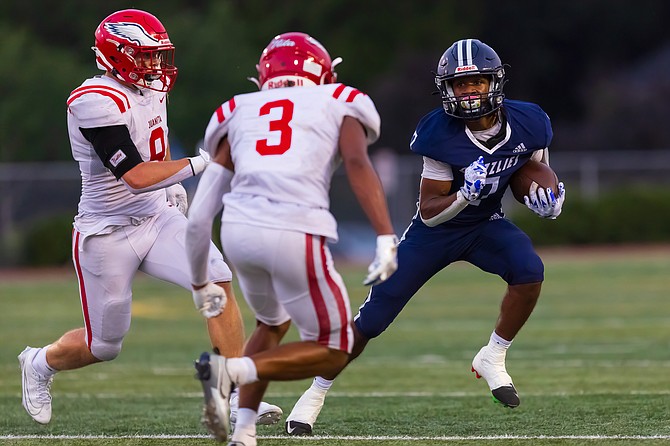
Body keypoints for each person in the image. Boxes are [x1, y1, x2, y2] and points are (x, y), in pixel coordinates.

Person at [285, 38, 567, 435]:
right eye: (460, 84)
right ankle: (315, 392)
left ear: (495, 82)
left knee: (529, 270)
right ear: (446, 89)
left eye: (477, 82)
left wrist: (548, 201)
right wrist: (463, 195)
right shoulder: (439, 133)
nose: (469, 92)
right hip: (435, 232)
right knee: (374, 318)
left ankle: (494, 355)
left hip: (485, 225)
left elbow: (534, 171)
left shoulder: (530, 122)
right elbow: (431, 212)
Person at [17, 9, 280, 427]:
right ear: (116, 55)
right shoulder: (94, 101)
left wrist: (172, 185)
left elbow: (151, 152)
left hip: (157, 218)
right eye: (145, 57)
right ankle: (39, 362)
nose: (155, 66)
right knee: (104, 346)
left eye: (158, 56)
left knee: (216, 277)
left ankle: (235, 395)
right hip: (107, 233)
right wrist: (202, 164)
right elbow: (136, 175)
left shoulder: (151, 88)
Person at [185, 32, 398, 445]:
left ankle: (243, 431)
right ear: (323, 71)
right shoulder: (339, 99)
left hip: (238, 232)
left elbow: (197, 219)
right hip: (295, 228)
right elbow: (356, 161)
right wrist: (386, 235)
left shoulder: (239, 110)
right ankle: (231, 372)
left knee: (272, 322)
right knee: (337, 347)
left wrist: (199, 283)